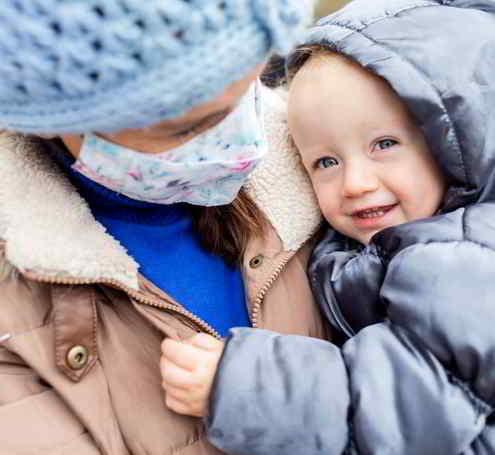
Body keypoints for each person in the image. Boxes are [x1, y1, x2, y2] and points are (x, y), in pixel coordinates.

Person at [160, 0, 495, 453]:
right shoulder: (394, 246)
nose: (354, 184)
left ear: (458, 138)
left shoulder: (463, 259)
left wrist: (246, 387)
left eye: (384, 144)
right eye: (326, 161)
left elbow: (411, 411)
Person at [0, 1, 331, 454]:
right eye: (187, 127)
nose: (247, 142)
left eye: (251, 84)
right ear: (56, 122)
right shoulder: (13, 302)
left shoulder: (330, 162)